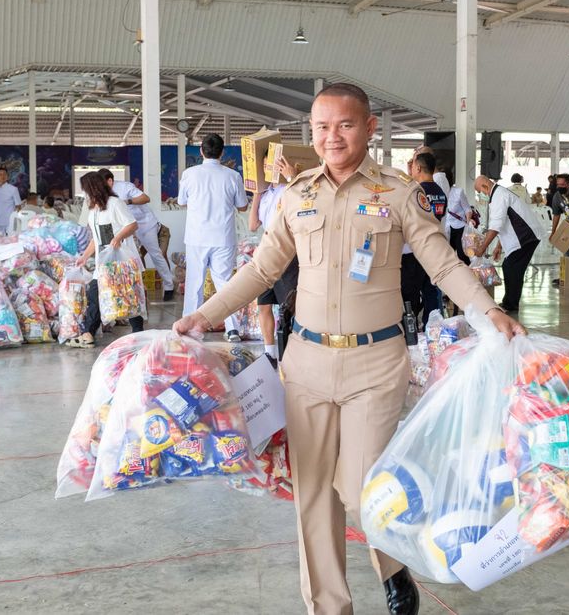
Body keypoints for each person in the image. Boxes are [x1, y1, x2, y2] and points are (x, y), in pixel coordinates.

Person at [173, 83, 526, 615]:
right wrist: (206, 315)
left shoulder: (398, 192)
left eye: (344, 125)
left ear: (368, 129)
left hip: (376, 362)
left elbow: (443, 263)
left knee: (364, 489)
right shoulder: (296, 196)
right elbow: (262, 268)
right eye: (321, 127)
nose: (331, 137)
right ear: (310, 134)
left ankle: (392, 564)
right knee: (313, 495)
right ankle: (330, 607)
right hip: (306, 363)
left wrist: (487, 311)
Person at [177, 133, 248, 341]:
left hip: (197, 237)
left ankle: (189, 327)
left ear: (201, 151)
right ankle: (232, 329)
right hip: (223, 237)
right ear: (222, 152)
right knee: (225, 283)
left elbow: (181, 202)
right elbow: (242, 206)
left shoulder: (189, 174)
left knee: (194, 283)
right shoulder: (233, 176)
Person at [69, 173, 144, 347]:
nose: (85, 194)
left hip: (120, 262)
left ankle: (139, 333)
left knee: (127, 296)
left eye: (86, 190)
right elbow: (96, 238)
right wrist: (85, 256)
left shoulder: (115, 204)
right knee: (95, 293)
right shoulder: (94, 210)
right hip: (103, 262)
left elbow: (132, 225)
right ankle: (88, 333)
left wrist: (118, 238)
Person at [249, 157, 301, 365]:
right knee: (264, 304)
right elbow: (253, 225)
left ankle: (296, 349)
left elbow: (302, 199)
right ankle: (270, 352)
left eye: (271, 166)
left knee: (290, 305)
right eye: (264, 167)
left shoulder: (286, 189)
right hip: (265, 252)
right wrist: (256, 195)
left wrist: (291, 177)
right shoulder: (265, 194)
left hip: (287, 252)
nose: (267, 170)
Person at [99, 168, 175, 302]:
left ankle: (169, 286)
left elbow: (146, 198)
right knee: (131, 258)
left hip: (144, 224)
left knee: (155, 253)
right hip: (126, 227)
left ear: (110, 181)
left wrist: (128, 201)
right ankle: (137, 290)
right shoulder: (104, 193)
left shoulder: (125, 187)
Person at [474, 174, 542, 313]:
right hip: (522, 237)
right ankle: (509, 302)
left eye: (479, 192)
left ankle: (511, 304)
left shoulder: (499, 196)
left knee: (513, 267)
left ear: (485, 186)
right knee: (509, 266)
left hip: (525, 236)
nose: (480, 195)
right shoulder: (498, 194)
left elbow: (495, 226)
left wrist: (482, 248)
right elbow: (504, 224)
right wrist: (499, 246)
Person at [401, 152, 447, 321]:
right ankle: (432, 325)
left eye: (413, 167)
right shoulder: (440, 192)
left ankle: (410, 325)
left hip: (415, 250)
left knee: (410, 292)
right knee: (430, 290)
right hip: (434, 247)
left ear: (418, 167)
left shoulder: (416, 192)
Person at [444, 174, 474, 264]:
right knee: (447, 257)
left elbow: (467, 208)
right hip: (446, 228)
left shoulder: (458, 192)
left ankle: (468, 274)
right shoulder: (439, 192)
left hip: (460, 228)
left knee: (462, 255)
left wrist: (469, 221)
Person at [0, 167, 22, 234]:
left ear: (7, 177)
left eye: (4, 174)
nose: (2, 176)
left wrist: (18, 220)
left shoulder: (13, 189)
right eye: (0, 174)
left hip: (10, 221)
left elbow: (18, 206)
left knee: (10, 241)